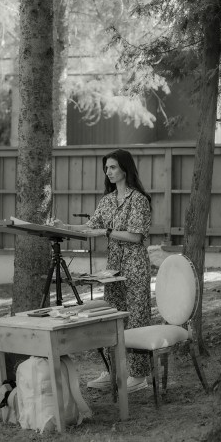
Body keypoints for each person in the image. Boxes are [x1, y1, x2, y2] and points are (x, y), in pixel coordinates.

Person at [54, 148, 152, 393]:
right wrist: (64, 226)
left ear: (125, 169)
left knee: (136, 318)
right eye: (106, 168)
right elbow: (90, 227)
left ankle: (139, 377)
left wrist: (106, 232)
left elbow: (136, 236)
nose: (108, 172)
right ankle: (113, 372)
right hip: (113, 268)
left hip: (135, 266)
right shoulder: (107, 202)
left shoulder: (138, 199)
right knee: (112, 318)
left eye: (113, 167)